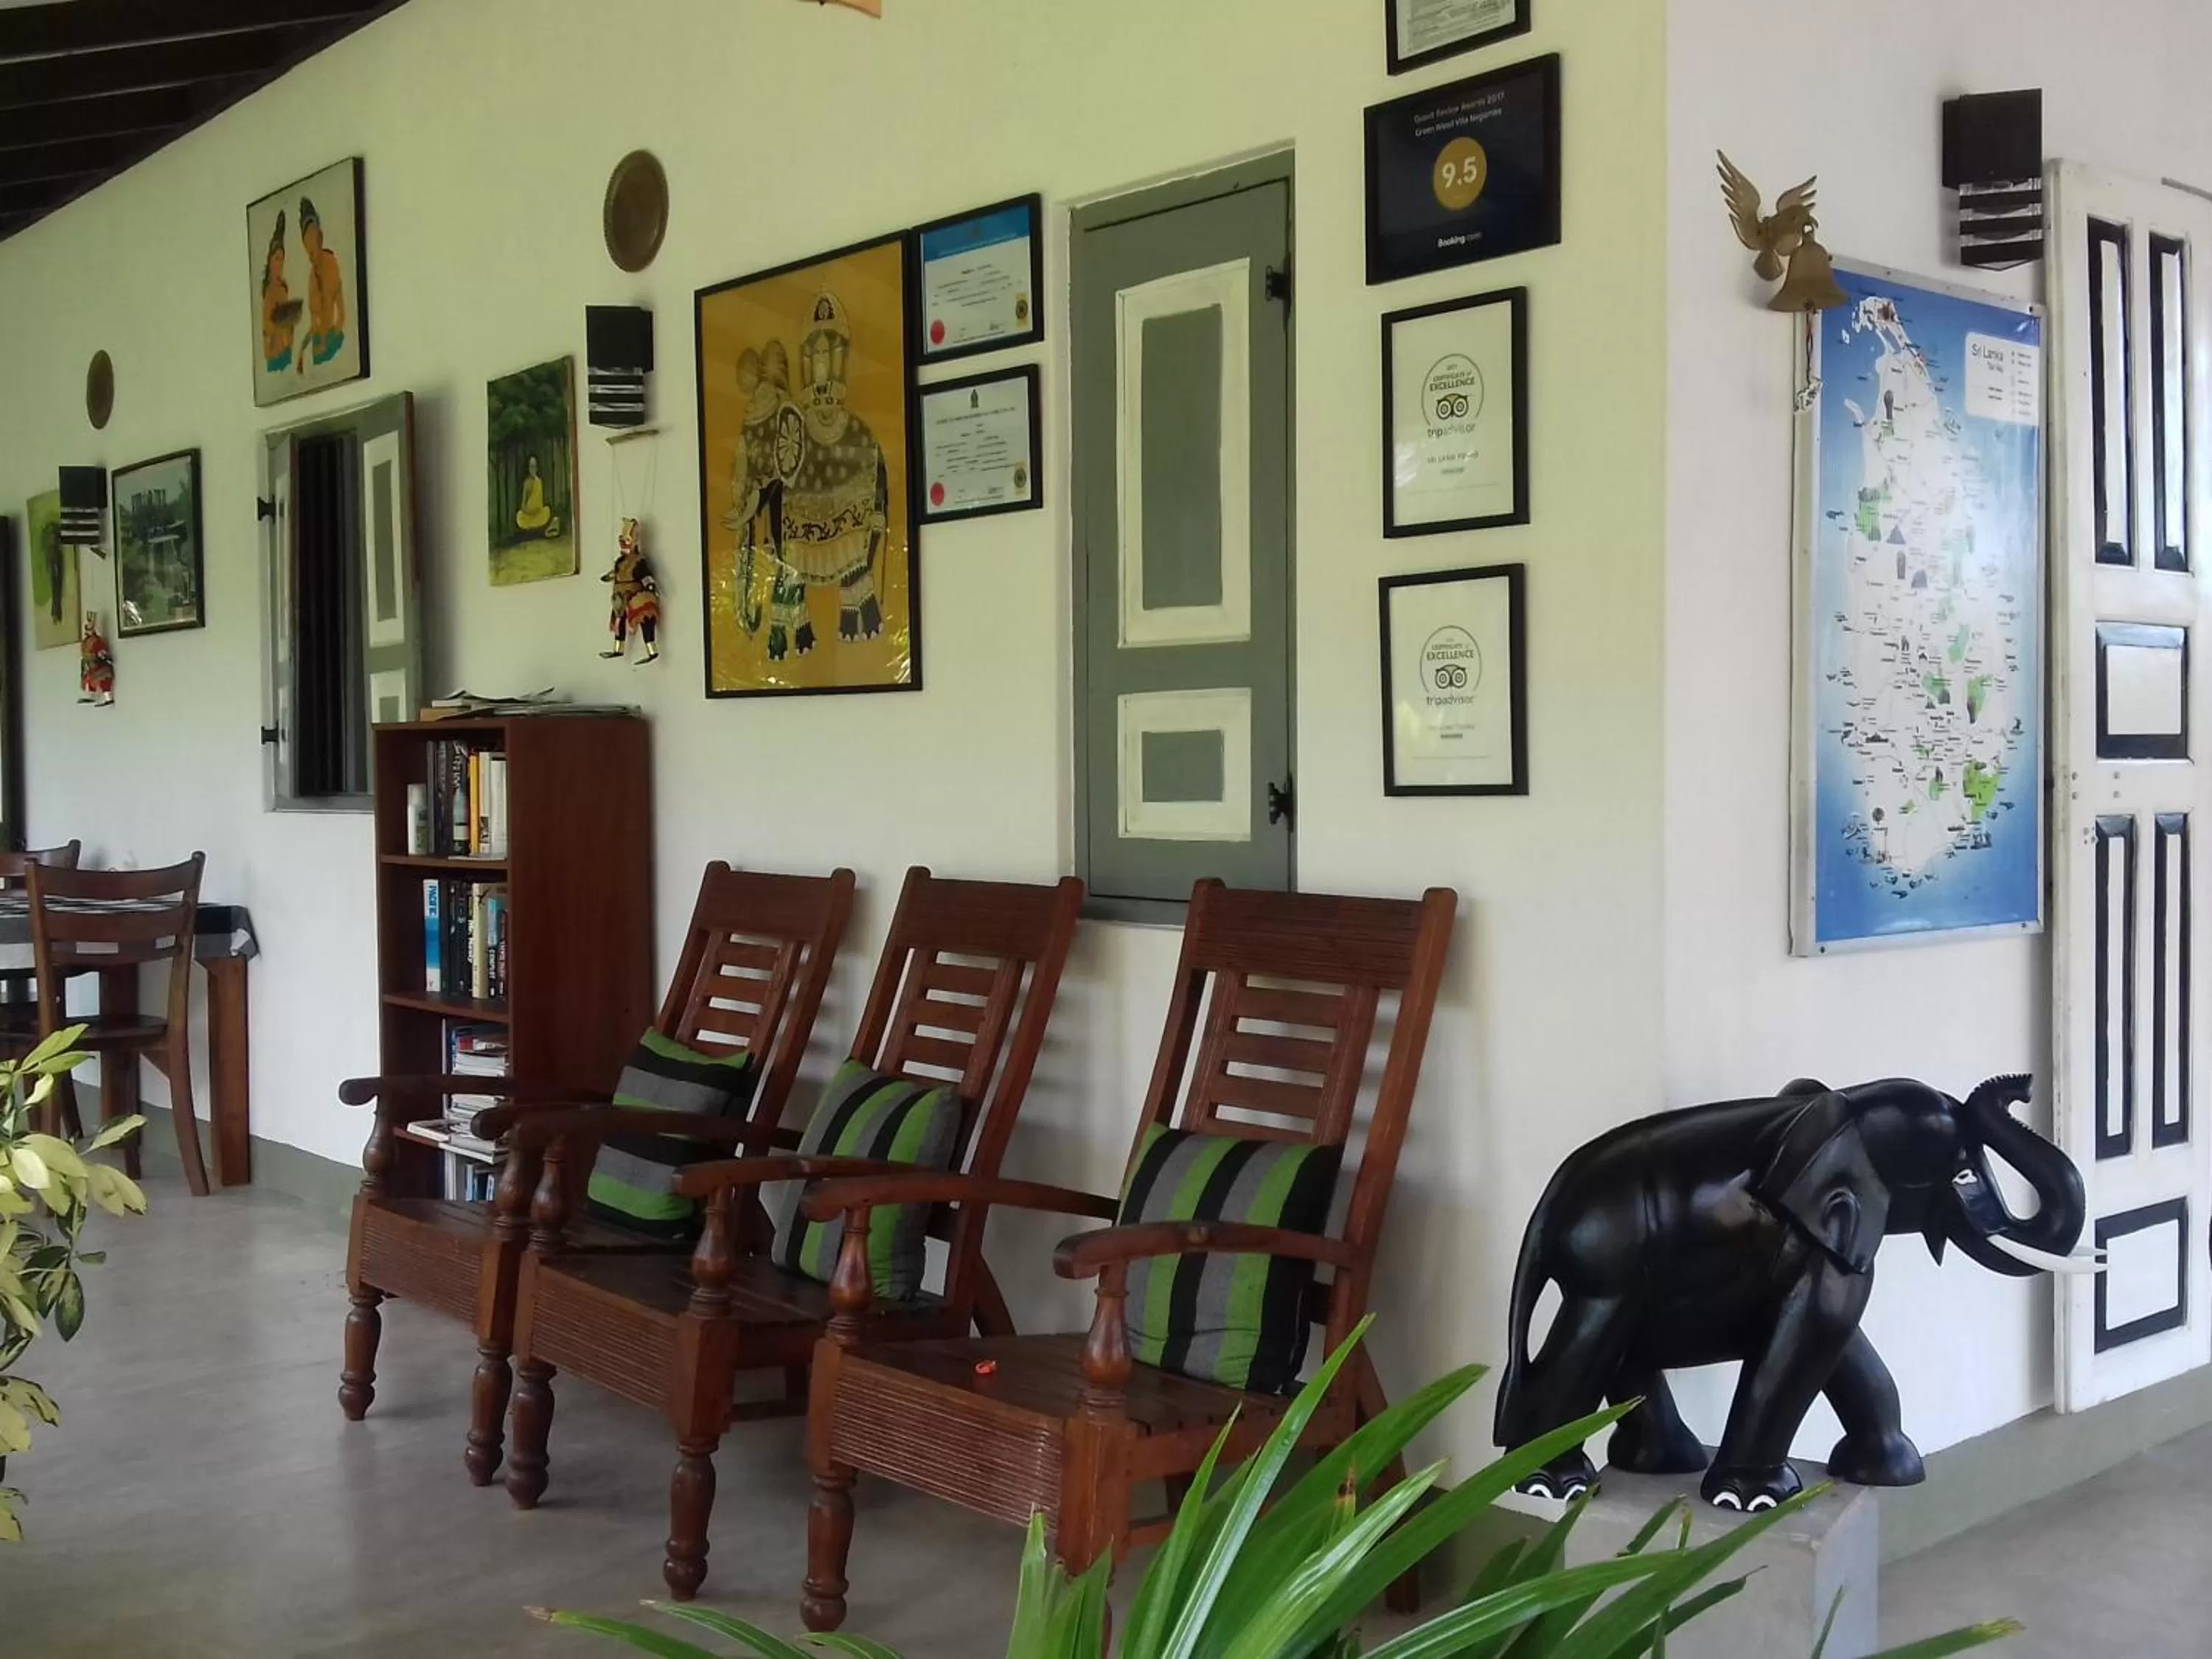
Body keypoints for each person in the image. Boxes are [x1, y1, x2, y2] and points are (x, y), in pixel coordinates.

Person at [600, 518, 660, 664]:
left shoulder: (639, 560)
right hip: (621, 596)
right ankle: (618, 649)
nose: (623, 543)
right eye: (621, 540)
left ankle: (652, 650)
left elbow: (645, 575)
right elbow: (617, 573)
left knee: (645, 618)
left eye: (626, 540)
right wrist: (609, 577)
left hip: (636, 595)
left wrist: (650, 586)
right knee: (619, 619)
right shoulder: (620, 562)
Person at [300, 195, 347, 369]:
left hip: (332, 341)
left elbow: (341, 314)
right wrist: (302, 350)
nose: (310, 250)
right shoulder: (312, 277)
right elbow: (314, 324)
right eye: (306, 243)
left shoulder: (331, 265)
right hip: (318, 347)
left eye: (312, 240)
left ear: (320, 237)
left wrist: (331, 338)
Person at [260, 212, 298, 375]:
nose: (280, 264)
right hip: (275, 353)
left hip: (286, 350)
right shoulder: (270, 291)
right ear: (270, 261)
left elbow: (289, 324)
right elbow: (267, 329)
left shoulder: (282, 288)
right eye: (277, 259)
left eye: (282, 259)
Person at [515, 456, 555, 536]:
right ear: (528, 468)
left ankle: (536, 531)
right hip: (528, 516)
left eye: (535, 466)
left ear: (537, 468)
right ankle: (534, 532)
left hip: (539, 515)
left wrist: (538, 510)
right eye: (531, 466)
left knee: (547, 510)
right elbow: (523, 505)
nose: (533, 469)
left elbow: (540, 501)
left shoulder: (539, 481)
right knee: (519, 516)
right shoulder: (527, 482)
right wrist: (529, 512)